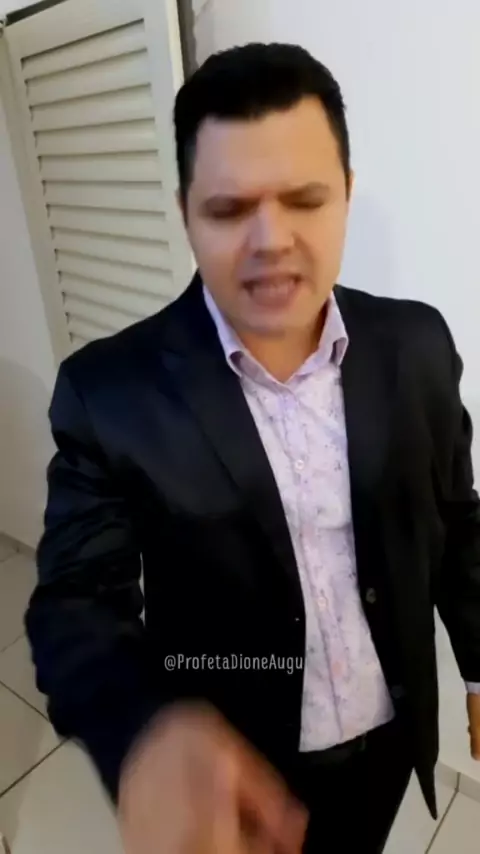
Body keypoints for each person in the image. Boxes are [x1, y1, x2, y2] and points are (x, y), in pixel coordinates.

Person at [26, 43, 480, 854]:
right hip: (235, 776)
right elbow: (76, 603)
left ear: (346, 193)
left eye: (305, 199)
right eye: (230, 209)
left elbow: (457, 518)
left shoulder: (416, 345)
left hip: (388, 739)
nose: (271, 239)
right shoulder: (109, 394)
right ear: (185, 212)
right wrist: (146, 733)